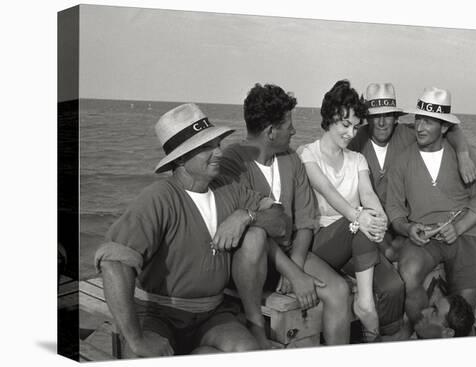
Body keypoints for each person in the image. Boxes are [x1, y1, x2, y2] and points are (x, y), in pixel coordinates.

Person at [94, 103, 290, 357]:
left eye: (217, 144)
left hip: (213, 314)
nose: (219, 152)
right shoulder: (158, 198)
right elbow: (113, 262)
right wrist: (136, 339)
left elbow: (279, 221)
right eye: (207, 147)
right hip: (157, 315)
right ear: (182, 158)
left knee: (246, 352)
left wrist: (246, 216)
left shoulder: (228, 188)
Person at [220, 83, 352, 348]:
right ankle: (254, 325)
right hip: (250, 262)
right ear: (270, 131)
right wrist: (292, 273)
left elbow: (305, 221)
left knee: (339, 290)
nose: (293, 130)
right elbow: (247, 231)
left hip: (290, 254)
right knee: (255, 235)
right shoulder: (233, 162)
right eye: (288, 124)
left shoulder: (291, 159)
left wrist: (298, 266)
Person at [298, 80, 405, 342]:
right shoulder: (307, 154)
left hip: (359, 235)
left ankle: (378, 341)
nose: (351, 133)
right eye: (345, 125)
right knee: (356, 224)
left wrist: (379, 219)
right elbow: (326, 190)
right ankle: (365, 304)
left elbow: (367, 193)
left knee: (393, 286)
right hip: (322, 242)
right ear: (329, 118)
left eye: (356, 126)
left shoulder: (357, 159)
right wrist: (359, 216)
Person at [386, 87, 476, 332]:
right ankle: (427, 333)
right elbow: (394, 209)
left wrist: (459, 227)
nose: (420, 127)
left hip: (464, 234)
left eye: (429, 121)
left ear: (444, 127)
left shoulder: (462, 156)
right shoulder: (402, 160)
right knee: (408, 273)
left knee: (463, 309)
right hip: (425, 237)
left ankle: (456, 339)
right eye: (418, 119)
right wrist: (408, 227)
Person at [347, 83, 476, 261]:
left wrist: (463, 156)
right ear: (366, 119)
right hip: (371, 223)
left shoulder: (409, 134)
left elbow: (451, 129)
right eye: (376, 116)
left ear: (396, 118)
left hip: (403, 223)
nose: (382, 123)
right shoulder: (354, 140)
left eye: (387, 115)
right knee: (388, 253)